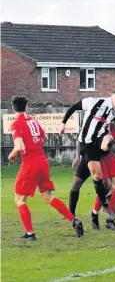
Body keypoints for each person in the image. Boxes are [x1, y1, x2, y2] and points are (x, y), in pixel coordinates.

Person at [9, 96, 84, 241]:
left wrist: (12, 154)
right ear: (27, 106)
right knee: (48, 197)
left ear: (13, 108)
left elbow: (18, 146)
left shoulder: (16, 124)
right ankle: (74, 221)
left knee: (19, 200)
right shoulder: (32, 120)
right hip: (42, 162)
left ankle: (30, 234)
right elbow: (44, 139)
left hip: (30, 164)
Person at [60, 91, 115, 225]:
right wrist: (63, 123)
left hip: (99, 144)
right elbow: (73, 107)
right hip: (87, 145)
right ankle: (71, 214)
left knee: (107, 138)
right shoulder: (93, 102)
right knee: (79, 183)